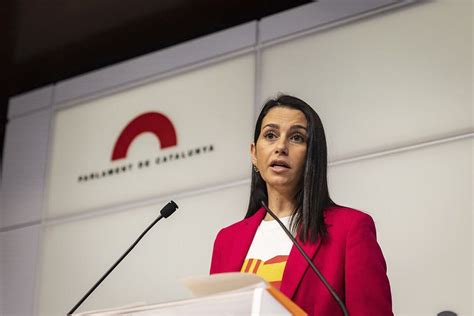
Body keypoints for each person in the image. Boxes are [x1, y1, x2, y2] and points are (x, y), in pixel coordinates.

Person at [210, 95, 392, 316]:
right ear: (254, 153)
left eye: (296, 137)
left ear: (312, 155)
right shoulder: (227, 241)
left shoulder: (350, 229)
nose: (281, 147)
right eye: (270, 135)